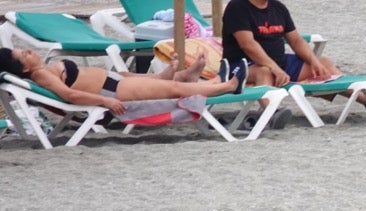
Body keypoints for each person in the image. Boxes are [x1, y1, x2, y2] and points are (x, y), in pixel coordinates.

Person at [221, 0, 366, 118]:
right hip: (242, 66)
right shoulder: (238, 7)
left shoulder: (278, 7)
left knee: (323, 63)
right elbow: (247, 44)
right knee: (265, 70)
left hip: (281, 63)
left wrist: (314, 61)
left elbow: (295, 40)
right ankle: (271, 113)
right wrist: (274, 67)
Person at [0, 47, 245, 117]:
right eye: (24, 55)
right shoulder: (40, 75)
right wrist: (105, 100)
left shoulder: (42, 70)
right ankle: (227, 86)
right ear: (24, 67)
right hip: (111, 90)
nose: (29, 50)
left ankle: (192, 76)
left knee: (167, 83)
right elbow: (70, 97)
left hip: (115, 81)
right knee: (172, 89)